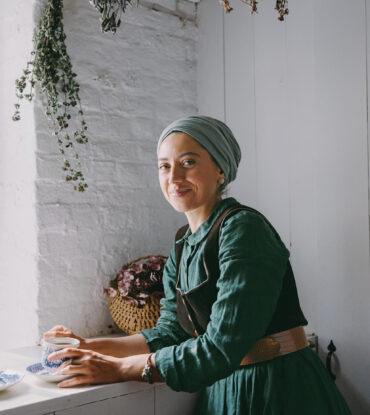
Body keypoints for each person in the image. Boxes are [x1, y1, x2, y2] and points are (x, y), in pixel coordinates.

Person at [45, 115, 351, 414]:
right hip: (223, 387)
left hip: (277, 387)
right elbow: (170, 333)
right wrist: (89, 346)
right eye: (164, 166)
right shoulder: (182, 244)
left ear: (220, 169)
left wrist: (121, 369)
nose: (174, 178)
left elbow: (221, 347)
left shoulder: (244, 229)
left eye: (188, 162)